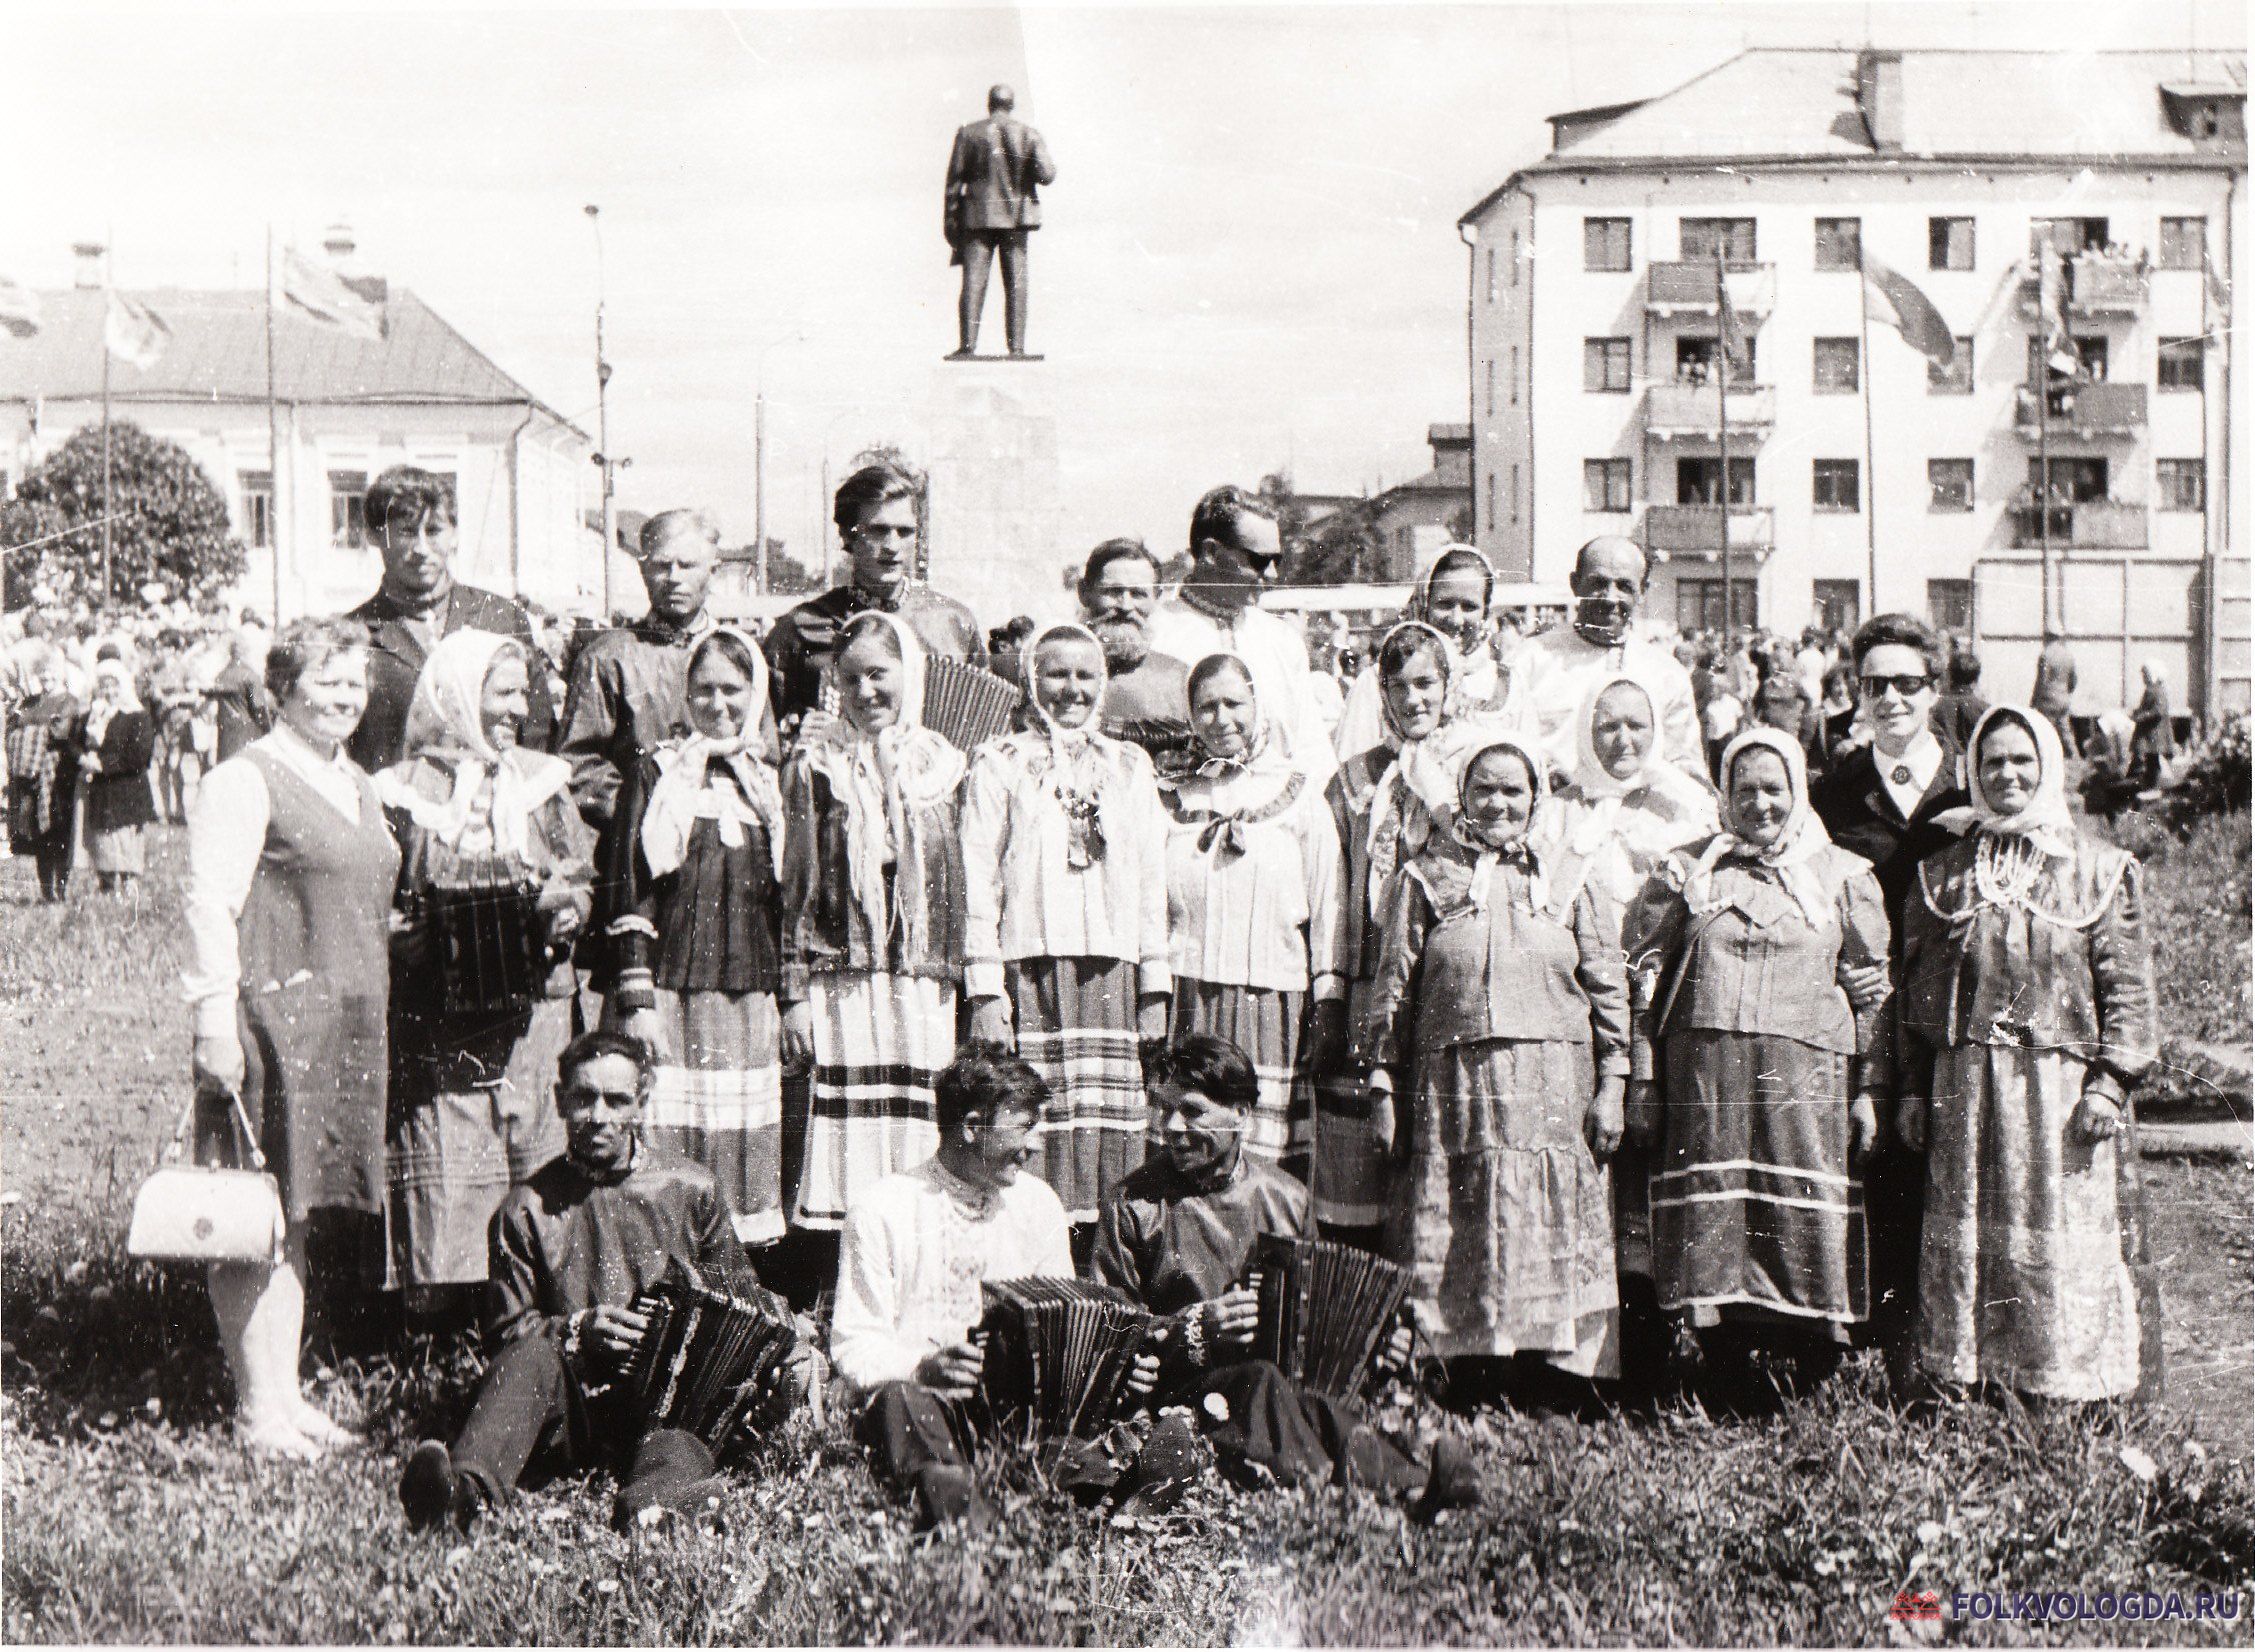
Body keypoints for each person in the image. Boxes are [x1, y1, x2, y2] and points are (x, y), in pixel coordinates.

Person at [397, 1031, 810, 1534]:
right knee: (529, 1357)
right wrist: (577, 1331)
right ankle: (461, 1496)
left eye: (616, 1100)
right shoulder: (525, 1208)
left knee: (676, 1434)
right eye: (583, 1097)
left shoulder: (692, 1189)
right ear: (559, 1100)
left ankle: (655, 1514)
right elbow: (504, 1336)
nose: (598, 1115)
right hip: (572, 1412)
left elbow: (741, 1301)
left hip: (666, 1407)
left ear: (641, 1104)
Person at [1093, 1034, 1481, 1516]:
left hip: (1277, 1392)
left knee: (1304, 1397)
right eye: (1164, 1109)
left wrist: (1381, 1349)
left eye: (1192, 1111)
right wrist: (1197, 1328)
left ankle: (1412, 1487)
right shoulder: (1132, 1204)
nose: (1172, 1127)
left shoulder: (1287, 1198)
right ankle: (1393, 1494)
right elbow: (1109, 1338)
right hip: (1182, 1398)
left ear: (1240, 1113)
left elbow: (1330, 1321)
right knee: (1263, 1382)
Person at [183, 616, 401, 1459]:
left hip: (342, 1025)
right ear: (281, 690)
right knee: (255, 1214)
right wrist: (213, 1026)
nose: (345, 697)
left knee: (296, 1218)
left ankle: (286, 1396)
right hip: (268, 1023)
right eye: (326, 681)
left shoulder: (358, 781)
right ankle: (254, 1411)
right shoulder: (245, 779)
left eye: (356, 683)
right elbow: (209, 905)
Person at [1897, 707, 2158, 1402]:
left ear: (2046, 766)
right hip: (1966, 1086)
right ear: (1972, 775)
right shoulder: (1941, 875)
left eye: (2021, 761)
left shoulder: (2096, 867)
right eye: (1991, 763)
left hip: (2059, 1090)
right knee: (1974, 1233)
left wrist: (2109, 1085)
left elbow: (2125, 987)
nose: (2006, 775)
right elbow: (1916, 1000)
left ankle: (2060, 1382)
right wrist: (1915, 1090)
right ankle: (1970, 1375)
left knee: (2060, 1231)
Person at [1355, 735, 1629, 1397]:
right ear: (1462, 798)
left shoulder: (1568, 874)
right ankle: (1463, 1368)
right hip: (1455, 1089)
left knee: (1549, 1219)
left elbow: (1607, 982)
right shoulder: (1424, 875)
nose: (1498, 802)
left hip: (1552, 1086)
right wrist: (1381, 1084)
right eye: (1483, 789)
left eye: (1512, 790)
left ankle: (1555, 1378)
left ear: (1535, 798)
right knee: (1460, 1215)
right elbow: (1391, 988)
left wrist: (1615, 1081)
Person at [1622, 729, 1892, 1395]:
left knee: (1796, 1218)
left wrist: (1871, 1090)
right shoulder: (1685, 872)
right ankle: (1721, 1362)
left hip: (1809, 1085)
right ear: (1723, 796)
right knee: (1720, 1225)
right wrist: (1642, 1077)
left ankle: (1808, 1367)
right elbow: (1639, 978)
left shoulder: (1843, 876)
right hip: (1707, 1083)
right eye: (1744, 789)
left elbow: (1873, 992)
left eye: (1774, 788)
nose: (1760, 803)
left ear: (1798, 790)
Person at [375, 630, 593, 1313]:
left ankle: (532, 1297)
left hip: (537, 1006)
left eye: (523, 693)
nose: (516, 708)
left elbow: (577, 873)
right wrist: (400, 934)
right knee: (450, 1140)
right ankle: (447, 1311)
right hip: (438, 1010)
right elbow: (380, 888)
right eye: (502, 692)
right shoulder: (405, 790)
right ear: (459, 695)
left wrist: (566, 911)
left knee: (534, 1134)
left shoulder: (542, 781)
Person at [961, 623, 1172, 1227]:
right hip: (1030, 973)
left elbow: (1150, 880)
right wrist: (986, 990)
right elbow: (980, 879)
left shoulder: (1131, 765)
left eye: (1085, 675)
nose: (1071, 689)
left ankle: (1108, 1278)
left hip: (1112, 978)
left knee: (1110, 1137)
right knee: (1035, 1123)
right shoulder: (1000, 761)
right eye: (1056, 673)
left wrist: (1154, 987)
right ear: (1032, 680)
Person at [1536, 671, 1718, 1361]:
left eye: (1635, 725)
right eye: (1606, 725)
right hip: (1584, 1005)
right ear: (1585, 730)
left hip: (1662, 1003)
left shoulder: (1682, 808)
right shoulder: (1558, 810)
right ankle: (1589, 1337)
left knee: (1658, 1152)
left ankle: (1660, 1327)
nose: (1621, 739)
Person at [1806, 613, 1968, 1381]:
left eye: (1908, 683)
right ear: (1856, 693)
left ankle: (1953, 1336)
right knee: (1876, 1162)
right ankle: (1881, 1340)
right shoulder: (1835, 794)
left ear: (1933, 690)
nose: (1892, 698)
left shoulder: (1969, 783)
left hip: (1954, 1008)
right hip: (1868, 1009)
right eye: (1875, 685)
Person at [829, 1046, 1078, 1531]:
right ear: (971, 1127)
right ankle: (964, 1528)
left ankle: (1070, 1500)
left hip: (1013, 1411)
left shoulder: (1040, 1205)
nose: (1037, 1144)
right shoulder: (884, 1207)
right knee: (902, 1401)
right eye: (1024, 1126)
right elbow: (854, 1344)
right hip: (923, 1405)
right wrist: (922, 1369)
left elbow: (1064, 1326)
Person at [600, 629, 790, 1247]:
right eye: (702, 689)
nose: (718, 704)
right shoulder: (657, 771)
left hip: (748, 996)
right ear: (684, 694)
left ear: (755, 694)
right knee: (670, 1140)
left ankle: (737, 1291)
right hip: (671, 995)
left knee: (740, 1149)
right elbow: (628, 886)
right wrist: (637, 999)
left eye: (732, 690)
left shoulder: (770, 781)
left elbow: (786, 900)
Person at [779, 611, 967, 1231]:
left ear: (908, 675)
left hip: (921, 976)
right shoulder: (818, 765)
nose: (866, 693)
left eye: (879, 675)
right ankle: (843, 1274)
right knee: (851, 1134)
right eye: (851, 678)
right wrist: (795, 993)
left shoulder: (944, 767)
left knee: (919, 1124)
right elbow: (797, 885)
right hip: (845, 977)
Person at [1317, 621, 1490, 1241]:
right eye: (1398, 687)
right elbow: (1336, 886)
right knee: (1370, 1151)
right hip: (1374, 978)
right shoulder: (1356, 778)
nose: (1413, 700)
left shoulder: (1477, 765)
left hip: (1445, 980)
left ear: (1449, 685)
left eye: (1426, 684)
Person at [1162, 654, 1346, 1177]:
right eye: (1206, 707)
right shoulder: (1177, 793)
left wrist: (1328, 997)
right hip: (1190, 996)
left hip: (1273, 1002)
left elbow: (1329, 898)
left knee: (1262, 1159)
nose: (1221, 720)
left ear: (1258, 704)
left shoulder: (1299, 792)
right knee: (1192, 1144)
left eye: (1233, 703)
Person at [346, 467, 555, 773]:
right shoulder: (355, 634)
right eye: (405, 532)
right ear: (374, 536)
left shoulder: (499, 618)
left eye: (433, 530)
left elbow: (537, 732)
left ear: (455, 533)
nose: (421, 549)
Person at [761, 461, 984, 732]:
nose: (892, 546)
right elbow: (765, 731)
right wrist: (795, 729)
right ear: (847, 535)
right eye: (878, 530)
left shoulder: (953, 623)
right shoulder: (801, 628)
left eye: (905, 532)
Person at [557, 508, 726, 847]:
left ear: (713, 571)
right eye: (662, 565)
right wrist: (644, 808)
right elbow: (576, 763)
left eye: (687, 565)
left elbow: (765, 752)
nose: (674, 577)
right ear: (643, 569)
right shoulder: (607, 658)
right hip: (634, 845)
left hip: (722, 839)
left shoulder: (738, 656)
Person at [1145, 486, 1335, 782]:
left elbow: (1313, 752)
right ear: (1211, 553)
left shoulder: (1282, 640)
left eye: (1277, 561)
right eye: (1259, 560)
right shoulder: (1154, 634)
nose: (1272, 574)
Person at [1500, 535, 1702, 782]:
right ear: (1575, 584)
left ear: (1643, 592)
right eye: (1598, 583)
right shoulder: (1529, 660)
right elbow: (1503, 747)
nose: (1609, 598)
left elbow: (1685, 763)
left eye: (1624, 586)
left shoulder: (1667, 674)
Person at [1333, 545, 1510, 760]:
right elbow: (1352, 769)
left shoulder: (1508, 687)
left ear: (1486, 611)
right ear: (1423, 602)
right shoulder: (1377, 682)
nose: (1456, 619)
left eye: (1469, 606)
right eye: (1444, 604)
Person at [944, 84, 1057, 360]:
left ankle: (968, 346)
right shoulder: (1028, 134)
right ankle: (1016, 347)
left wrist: (950, 226)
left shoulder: (968, 133)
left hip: (977, 219)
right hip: (1016, 219)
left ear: (989, 104)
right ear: (1011, 105)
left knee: (973, 282)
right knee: (1017, 283)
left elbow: (953, 186)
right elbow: (1047, 175)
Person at [1078, 537, 1196, 779]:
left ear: (1157, 597)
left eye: (1138, 594)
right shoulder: (1047, 671)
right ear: (1084, 593)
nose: (1125, 605)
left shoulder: (1179, 678)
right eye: (1113, 592)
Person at [73, 658, 159, 894]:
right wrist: (84, 758)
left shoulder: (137, 715)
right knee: (104, 842)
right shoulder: (95, 714)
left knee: (125, 839)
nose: (109, 692)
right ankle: (107, 885)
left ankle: (129, 884)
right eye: (104, 686)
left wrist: (103, 764)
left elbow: (139, 755)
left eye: (114, 685)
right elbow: (75, 741)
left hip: (127, 789)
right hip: (103, 790)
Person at [7, 647, 81, 901]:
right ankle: (45, 891)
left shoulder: (69, 701)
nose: (46, 676)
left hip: (57, 776)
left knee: (57, 830)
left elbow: (60, 732)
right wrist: (35, 729)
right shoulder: (33, 700)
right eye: (42, 672)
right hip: (31, 776)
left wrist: (29, 730)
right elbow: (13, 724)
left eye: (50, 672)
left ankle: (60, 890)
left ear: (60, 674)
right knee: (38, 835)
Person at [208, 626, 276, 764]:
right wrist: (270, 733)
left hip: (226, 734)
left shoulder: (221, 675)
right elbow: (259, 708)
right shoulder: (249, 676)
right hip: (248, 733)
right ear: (245, 652)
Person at [2130, 660, 2176, 793]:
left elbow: (2158, 710)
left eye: (2146, 675)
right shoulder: (2151, 689)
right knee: (2149, 758)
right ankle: (2146, 783)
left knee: (2151, 758)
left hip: (2154, 732)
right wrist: (2137, 712)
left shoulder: (2158, 690)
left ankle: (2150, 785)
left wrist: (2141, 716)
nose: (2144, 678)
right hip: (2149, 731)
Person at [2031, 635, 2080, 758]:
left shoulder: (2045, 655)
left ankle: (2046, 756)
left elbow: (2042, 680)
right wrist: (2066, 692)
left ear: (2047, 638)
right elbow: (2074, 680)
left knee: (2045, 728)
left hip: (2049, 698)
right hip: (2063, 697)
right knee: (2065, 729)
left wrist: (2034, 700)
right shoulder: (2068, 655)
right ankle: (2074, 755)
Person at [1933, 650, 1989, 752]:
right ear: (1976, 678)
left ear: (1950, 676)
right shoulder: (1985, 710)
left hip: (1945, 764)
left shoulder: (1935, 707)